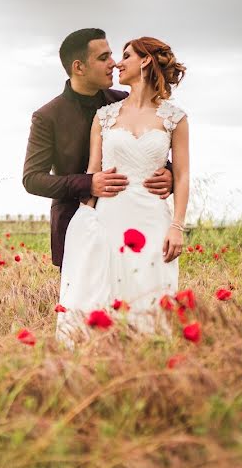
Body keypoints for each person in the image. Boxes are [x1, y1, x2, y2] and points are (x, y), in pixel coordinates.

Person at [56, 36, 189, 343]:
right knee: (106, 297)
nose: (117, 62)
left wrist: (177, 226)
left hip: (154, 221)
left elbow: (181, 176)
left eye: (126, 56)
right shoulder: (105, 116)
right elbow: (93, 171)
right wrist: (83, 221)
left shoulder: (175, 118)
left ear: (145, 61)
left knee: (150, 300)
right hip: (109, 219)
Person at [22, 28, 174, 270]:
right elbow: (32, 179)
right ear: (79, 67)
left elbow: (146, 149)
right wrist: (88, 183)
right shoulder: (47, 116)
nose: (113, 64)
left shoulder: (122, 102)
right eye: (103, 58)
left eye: (112, 55)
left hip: (132, 225)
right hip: (76, 226)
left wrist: (169, 174)